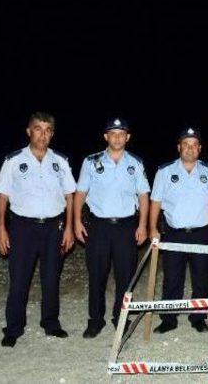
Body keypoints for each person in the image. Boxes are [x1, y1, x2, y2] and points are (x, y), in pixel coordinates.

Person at [0, 112, 76, 347]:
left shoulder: (61, 161)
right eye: (38, 129)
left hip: (54, 227)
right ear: (29, 132)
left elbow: (70, 196)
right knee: (19, 278)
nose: (43, 134)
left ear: (52, 134)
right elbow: (2, 196)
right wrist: (1, 228)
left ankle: (51, 323)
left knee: (51, 278)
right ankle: (13, 328)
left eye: (48, 129)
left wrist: (69, 228)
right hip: (22, 228)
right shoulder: (13, 160)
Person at [74, 118, 150, 338]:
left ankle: (121, 319)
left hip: (126, 226)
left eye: (121, 133)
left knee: (125, 276)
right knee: (97, 274)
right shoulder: (91, 162)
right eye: (112, 133)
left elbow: (143, 195)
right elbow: (80, 193)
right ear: (106, 137)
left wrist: (143, 225)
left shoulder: (135, 163)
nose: (117, 137)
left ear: (127, 137)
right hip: (98, 226)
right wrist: (77, 221)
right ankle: (95, 320)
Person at [149, 128, 208, 333]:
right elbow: (155, 201)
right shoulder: (164, 172)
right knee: (172, 277)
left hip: (202, 233)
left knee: (201, 277)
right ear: (179, 147)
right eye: (185, 144)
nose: (190, 148)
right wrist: (152, 228)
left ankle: (198, 317)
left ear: (199, 148)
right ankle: (168, 319)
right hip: (174, 232)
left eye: (194, 145)